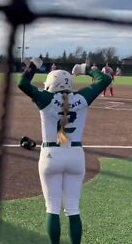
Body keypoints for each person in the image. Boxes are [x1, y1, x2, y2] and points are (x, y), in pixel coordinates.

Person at [18, 58, 111, 244]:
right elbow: (105, 80)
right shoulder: (82, 98)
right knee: (73, 209)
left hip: (51, 156)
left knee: (52, 207)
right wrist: (85, 69)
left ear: (51, 83)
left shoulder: (46, 99)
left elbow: (23, 83)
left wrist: (33, 66)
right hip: (75, 156)